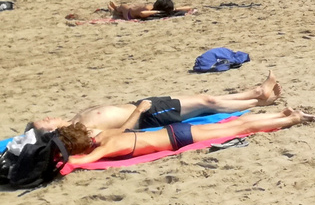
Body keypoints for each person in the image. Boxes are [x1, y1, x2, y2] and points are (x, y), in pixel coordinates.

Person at [50, 107, 315, 167]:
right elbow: (123, 129)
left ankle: (290, 119)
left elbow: (81, 161)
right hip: (173, 133)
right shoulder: (108, 135)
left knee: (240, 128)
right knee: (238, 124)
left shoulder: (104, 146)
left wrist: (63, 161)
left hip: (178, 139)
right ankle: (283, 115)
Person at [31, 73, 284, 134]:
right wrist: (140, 110)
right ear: (50, 130)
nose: (48, 117)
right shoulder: (82, 131)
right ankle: (259, 100)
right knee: (208, 103)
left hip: (141, 105)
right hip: (147, 115)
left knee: (203, 98)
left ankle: (256, 92)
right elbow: (120, 133)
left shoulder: (76, 119)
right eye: (44, 122)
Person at [102, 0, 196, 21]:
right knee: (127, 7)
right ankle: (116, 9)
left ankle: (115, 9)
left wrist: (159, 11)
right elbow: (189, 8)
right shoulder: (166, 11)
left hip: (129, 14)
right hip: (133, 12)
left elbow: (142, 13)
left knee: (124, 7)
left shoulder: (149, 9)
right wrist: (173, 9)